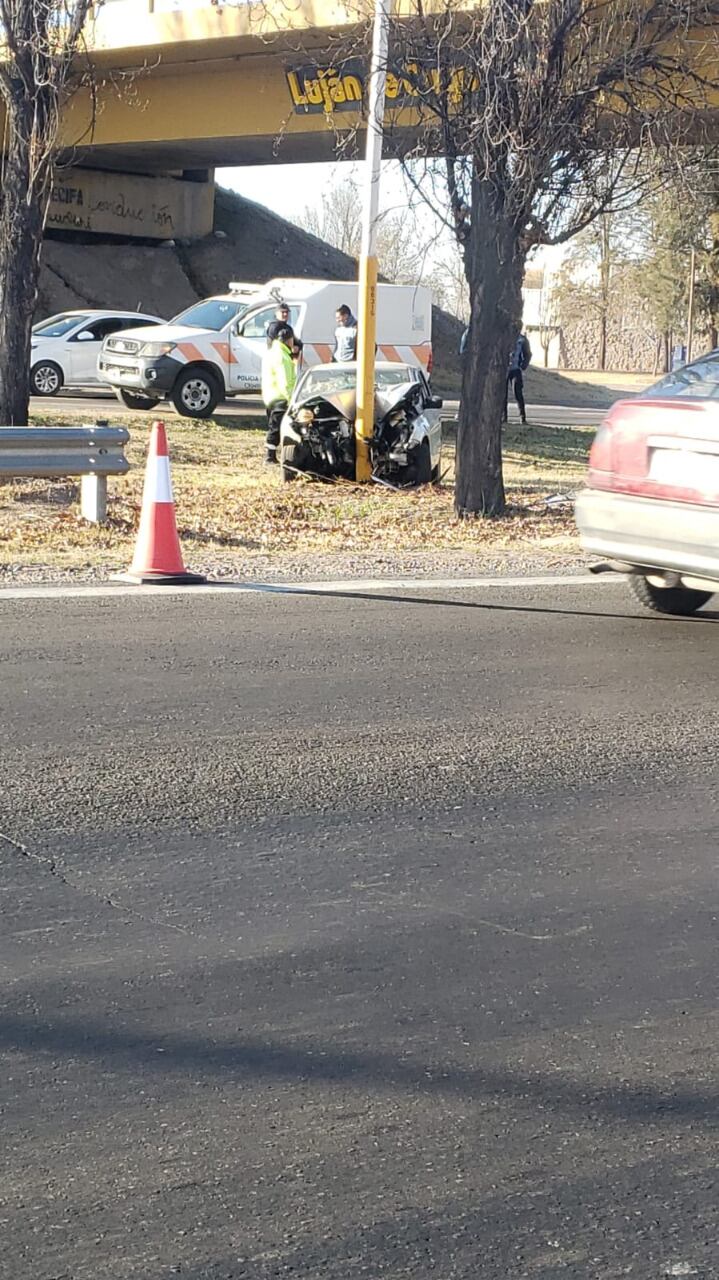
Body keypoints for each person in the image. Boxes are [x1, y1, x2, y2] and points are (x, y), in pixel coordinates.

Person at [261, 324, 296, 465]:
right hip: (281, 397)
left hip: (270, 395)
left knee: (273, 425)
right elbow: (286, 381)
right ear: (287, 340)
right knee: (276, 427)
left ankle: (272, 455)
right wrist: (291, 398)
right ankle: (270, 457)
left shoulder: (270, 353)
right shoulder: (282, 356)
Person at [504, 332, 531, 425]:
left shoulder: (522, 339)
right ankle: (503, 417)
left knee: (518, 393)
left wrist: (523, 366)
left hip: (516, 369)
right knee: (502, 394)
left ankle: (522, 417)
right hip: (503, 369)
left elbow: (528, 354)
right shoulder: (503, 336)